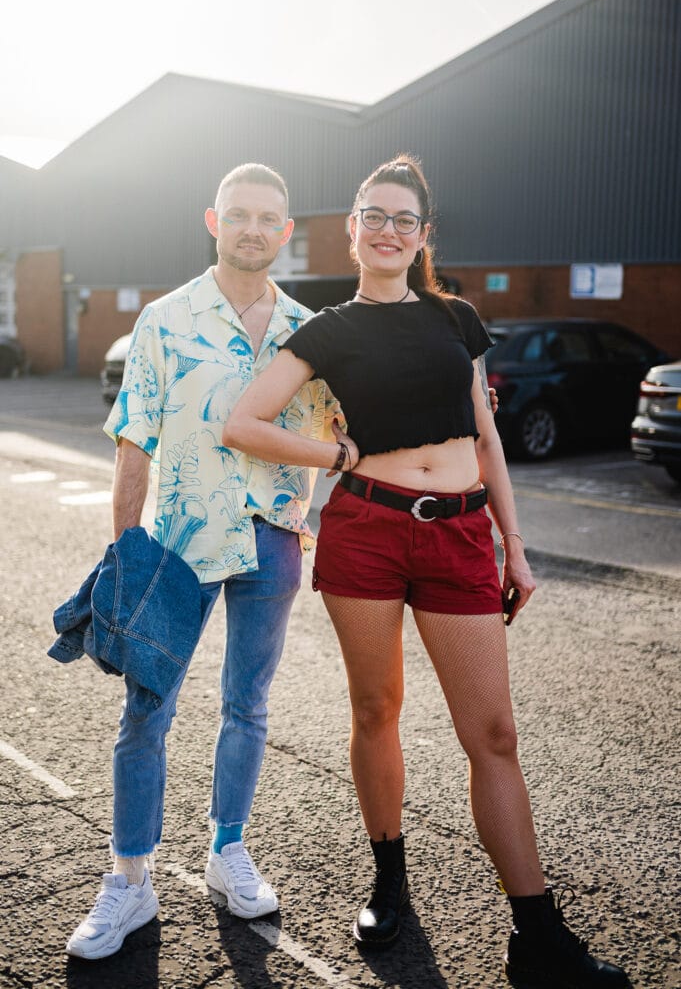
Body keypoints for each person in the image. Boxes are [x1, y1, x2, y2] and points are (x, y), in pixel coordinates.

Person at [222, 155, 630, 988]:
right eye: (372, 215)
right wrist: (332, 451)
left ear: (421, 237)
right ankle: (390, 881)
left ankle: (537, 935)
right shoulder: (327, 329)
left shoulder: (457, 321)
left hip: (457, 537)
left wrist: (512, 546)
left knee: (494, 735)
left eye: (402, 219)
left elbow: (486, 436)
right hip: (366, 531)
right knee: (376, 710)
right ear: (352, 228)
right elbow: (243, 421)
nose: (385, 230)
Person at [66, 163, 342, 960]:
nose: (253, 228)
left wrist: (459, 399)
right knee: (146, 714)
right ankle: (130, 881)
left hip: (273, 541)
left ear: (285, 232)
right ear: (213, 221)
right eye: (239, 214)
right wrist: (125, 552)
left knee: (247, 706)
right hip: (180, 545)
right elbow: (133, 441)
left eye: (268, 218)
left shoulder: (309, 329)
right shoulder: (164, 319)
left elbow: (339, 430)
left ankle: (227, 852)